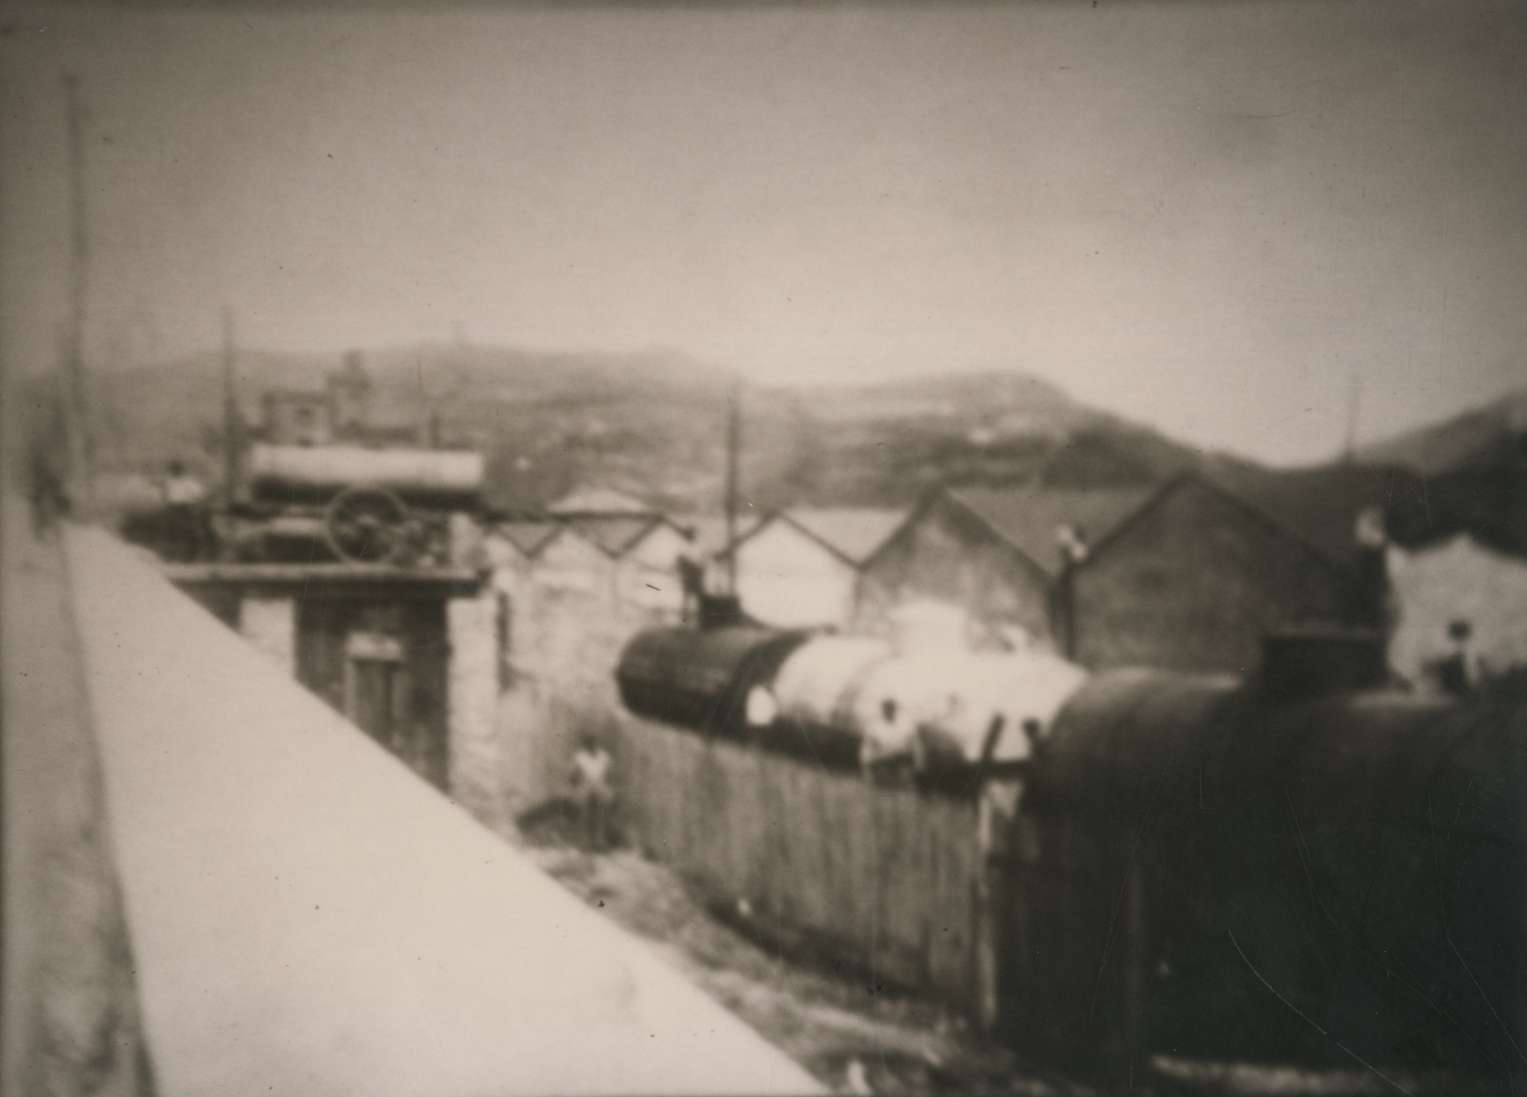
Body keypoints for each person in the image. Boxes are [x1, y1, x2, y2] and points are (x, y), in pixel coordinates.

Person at [569, 734, 615, 851]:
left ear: (596, 745)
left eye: (593, 744)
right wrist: (577, 783)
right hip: (585, 784)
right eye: (588, 745)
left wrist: (605, 785)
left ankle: (600, 840)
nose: (591, 747)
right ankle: (583, 841)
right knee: (583, 809)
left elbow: (610, 774)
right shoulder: (580, 757)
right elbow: (573, 775)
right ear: (585, 746)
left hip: (600, 784)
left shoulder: (604, 756)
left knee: (605, 805)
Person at [676, 527, 705, 625]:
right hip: (688, 575)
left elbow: (702, 560)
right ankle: (684, 619)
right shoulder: (683, 547)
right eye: (691, 534)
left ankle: (701, 618)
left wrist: (701, 569)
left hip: (697, 575)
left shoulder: (698, 547)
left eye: (693, 534)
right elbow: (680, 561)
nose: (693, 536)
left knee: (699, 597)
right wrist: (683, 572)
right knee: (687, 598)